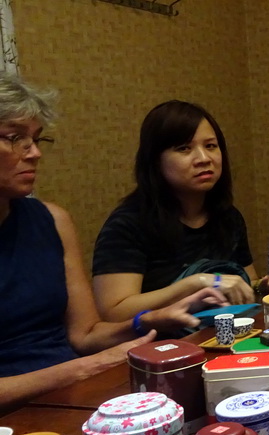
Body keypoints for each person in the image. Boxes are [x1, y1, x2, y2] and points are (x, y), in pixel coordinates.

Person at [0, 73, 226, 411]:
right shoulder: (131, 221)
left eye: (36, 139)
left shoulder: (51, 220)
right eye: (16, 138)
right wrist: (79, 370)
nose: (34, 154)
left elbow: (86, 335)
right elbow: (85, 358)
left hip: (70, 395)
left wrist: (148, 320)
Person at [93, 101, 269, 322]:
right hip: (162, 347)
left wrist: (260, 287)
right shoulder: (127, 224)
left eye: (211, 146)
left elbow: (241, 285)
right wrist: (195, 283)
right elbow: (113, 312)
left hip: (222, 339)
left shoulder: (228, 217)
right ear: (155, 160)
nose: (204, 159)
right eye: (184, 148)